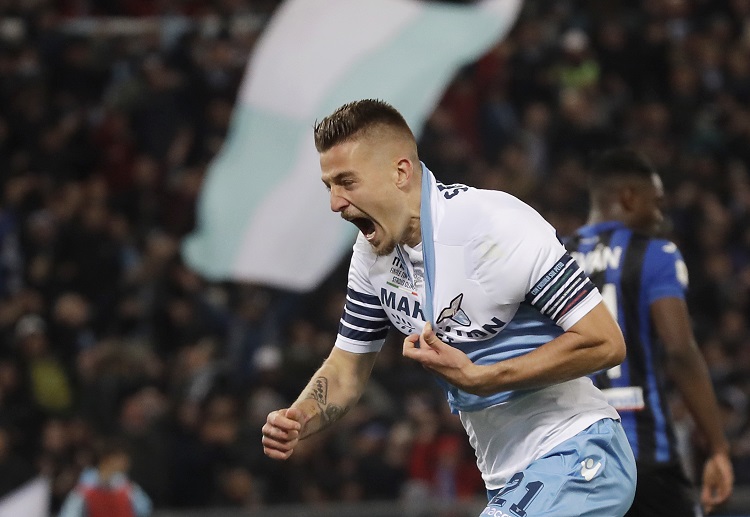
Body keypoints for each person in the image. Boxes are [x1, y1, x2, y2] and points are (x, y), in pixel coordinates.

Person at [262, 99, 637, 516]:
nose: (334, 202)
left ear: (400, 171)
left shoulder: (492, 225)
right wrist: (300, 416)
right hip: (511, 480)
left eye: (347, 181)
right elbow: (348, 366)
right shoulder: (372, 257)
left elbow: (605, 343)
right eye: (328, 185)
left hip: (579, 454)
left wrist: (485, 378)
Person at [564, 148, 734, 516]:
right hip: (644, 456)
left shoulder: (555, 257)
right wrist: (718, 448)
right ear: (628, 197)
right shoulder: (656, 253)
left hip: (570, 459)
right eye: (656, 204)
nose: (660, 217)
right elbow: (679, 351)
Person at [58, 437, 152, 517]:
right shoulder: (84, 489)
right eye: (122, 459)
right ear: (108, 459)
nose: (127, 463)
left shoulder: (127, 487)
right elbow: (69, 514)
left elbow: (145, 509)